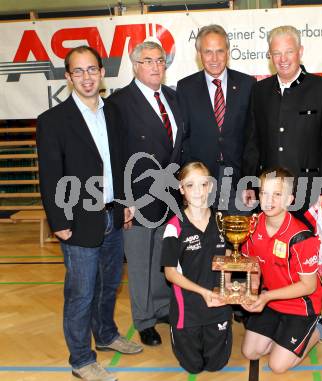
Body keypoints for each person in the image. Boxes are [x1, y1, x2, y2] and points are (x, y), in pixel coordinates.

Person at [37, 46, 142, 381]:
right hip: (78, 220)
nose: (86, 77)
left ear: (101, 72)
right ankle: (81, 359)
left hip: (113, 214)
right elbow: (50, 175)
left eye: (92, 69)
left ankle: (107, 334)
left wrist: (126, 202)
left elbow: (122, 161)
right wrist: (60, 222)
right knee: (81, 292)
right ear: (68, 77)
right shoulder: (53, 121)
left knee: (109, 284)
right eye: (78, 71)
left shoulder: (112, 112)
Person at [107, 41, 183, 347]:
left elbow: (180, 145)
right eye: (148, 60)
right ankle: (144, 320)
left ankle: (162, 307)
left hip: (171, 197)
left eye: (160, 61)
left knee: (164, 257)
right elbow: (115, 156)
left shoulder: (174, 98)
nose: (155, 66)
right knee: (139, 263)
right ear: (135, 65)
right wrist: (123, 200)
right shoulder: (119, 103)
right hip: (137, 198)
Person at [240, 168, 322, 374]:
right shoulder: (253, 225)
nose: (269, 200)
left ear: (289, 199)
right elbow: (252, 262)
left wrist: (266, 296)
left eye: (277, 195)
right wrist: (252, 289)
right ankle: (282, 336)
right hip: (272, 301)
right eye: (264, 193)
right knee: (250, 352)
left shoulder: (301, 237)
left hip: (300, 306)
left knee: (277, 366)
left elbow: (308, 286)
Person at [242, 25, 322, 225]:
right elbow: (252, 142)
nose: (283, 59)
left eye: (289, 52)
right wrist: (250, 184)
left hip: (310, 192)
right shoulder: (259, 91)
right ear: (270, 55)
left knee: (307, 250)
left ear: (300, 52)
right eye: (277, 53)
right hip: (270, 194)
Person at [161, 161, 233, 374]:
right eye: (190, 185)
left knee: (215, 366)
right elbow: (170, 273)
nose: (198, 191)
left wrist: (227, 286)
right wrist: (203, 292)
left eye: (203, 184)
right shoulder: (174, 226)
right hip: (188, 311)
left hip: (218, 308)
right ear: (181, 189)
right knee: (193, 367)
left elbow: (229, 256)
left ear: (210, 187)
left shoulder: (222, 220)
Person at [177, 24, 256, 212]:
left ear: (228, 52)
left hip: (238, 181)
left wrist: (250, 182)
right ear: (199, 54)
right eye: (208, 52)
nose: (214, 58)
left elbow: (252, 138)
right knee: (205, 239)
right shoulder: (185, 88)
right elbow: (184, 139)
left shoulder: (247, 84)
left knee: (238, 239)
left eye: (220, 51)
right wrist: (189, 182)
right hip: (200, 183)